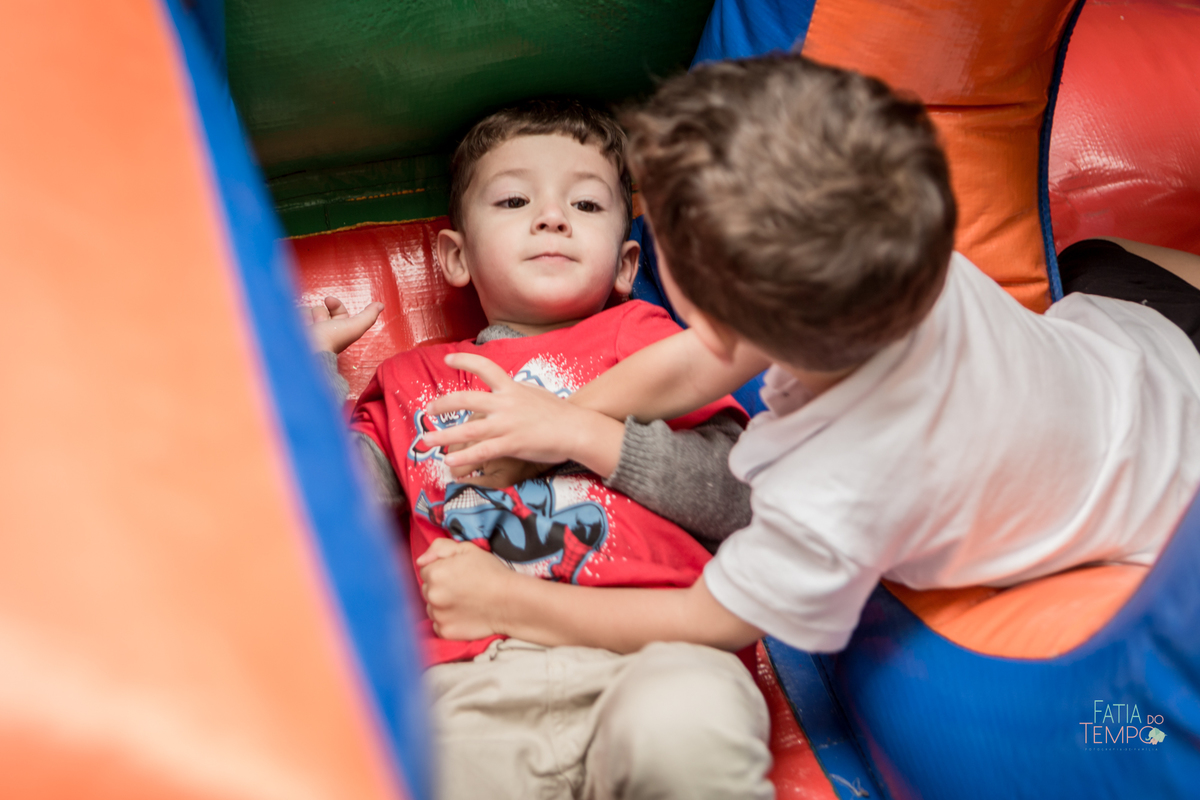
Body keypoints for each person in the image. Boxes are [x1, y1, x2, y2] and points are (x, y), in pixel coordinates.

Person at [414, 55, 1200, 660]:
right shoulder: (890, 260)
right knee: (1095, 252)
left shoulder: (833, 491)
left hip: (1171, 487)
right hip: (1142, 344)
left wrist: (509, 605)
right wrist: (559, 420)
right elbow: (699, 359)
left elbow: (710, 619)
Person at [307, 99, 773, 800]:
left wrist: (583, 435)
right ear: (455, 256)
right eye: (516, 198)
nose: (552, 217)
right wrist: (309, 372)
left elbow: (740, 504)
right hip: (472, 681)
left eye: (585, 204)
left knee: (686, 730)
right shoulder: (412, 380)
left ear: (625, 264)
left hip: (656, 653)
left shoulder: (647, 342)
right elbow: (324, 500)